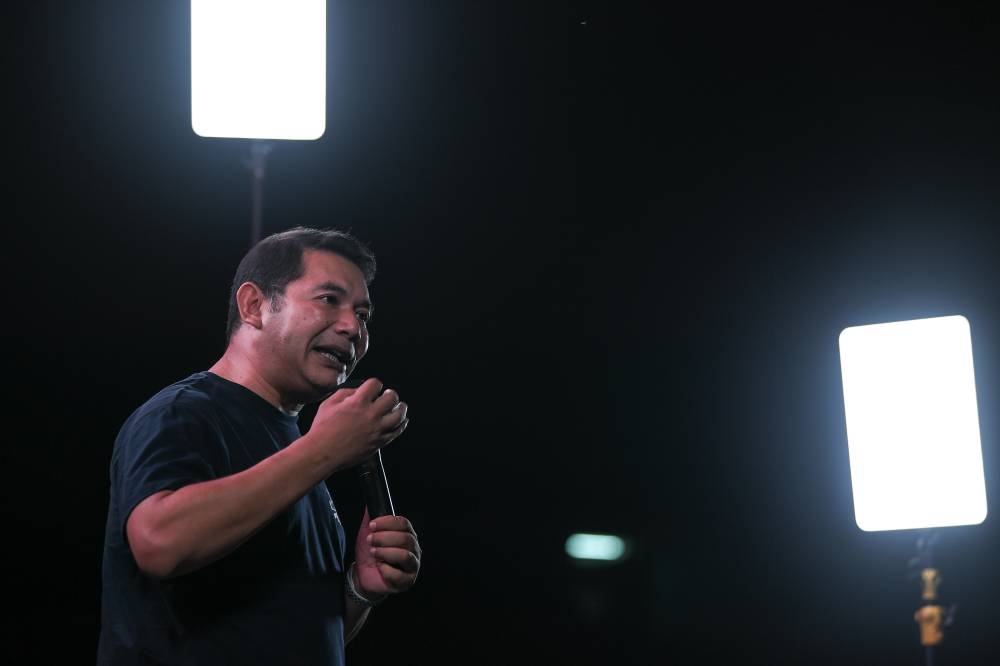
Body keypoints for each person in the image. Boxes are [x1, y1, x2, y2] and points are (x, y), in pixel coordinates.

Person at [97, 227, 420, 665]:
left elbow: (299, 637)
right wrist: (323, 449)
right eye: (329, 299)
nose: (352, 328)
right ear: (254, 306)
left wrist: (359, 590)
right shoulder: (183, 413)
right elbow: (158, 542)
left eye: (362, 315)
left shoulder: (295, 447)